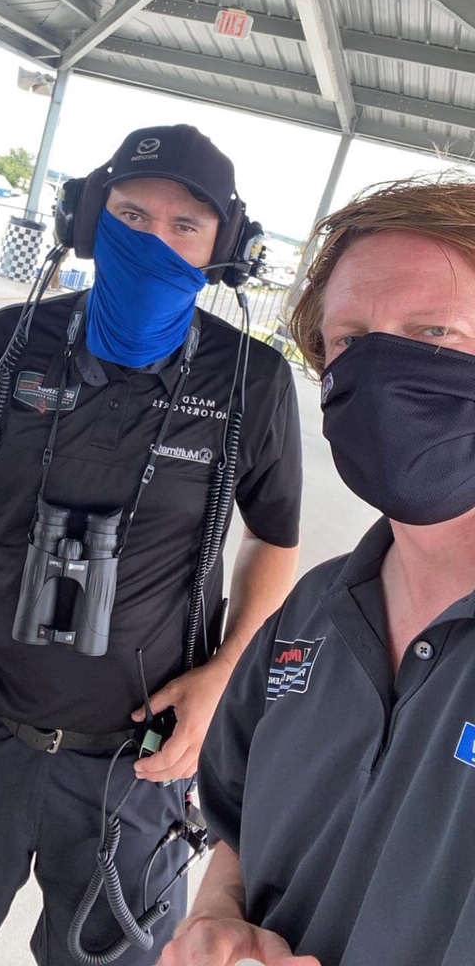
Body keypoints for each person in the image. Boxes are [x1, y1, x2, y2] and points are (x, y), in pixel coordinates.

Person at [0, 122, 302, 966]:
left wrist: (222, 679)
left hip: (135, 768)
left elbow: (273, 543)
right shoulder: (10, 339)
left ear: (227, 247)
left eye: (186, 227)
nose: (155, 242)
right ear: (88, 218)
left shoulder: (253, 378)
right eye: (132, 216)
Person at [162, 173, 475, 966]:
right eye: (350, 342)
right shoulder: (311, 613)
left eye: (434, 335)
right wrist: (214, 920)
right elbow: (235, 827)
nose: (380, 373)